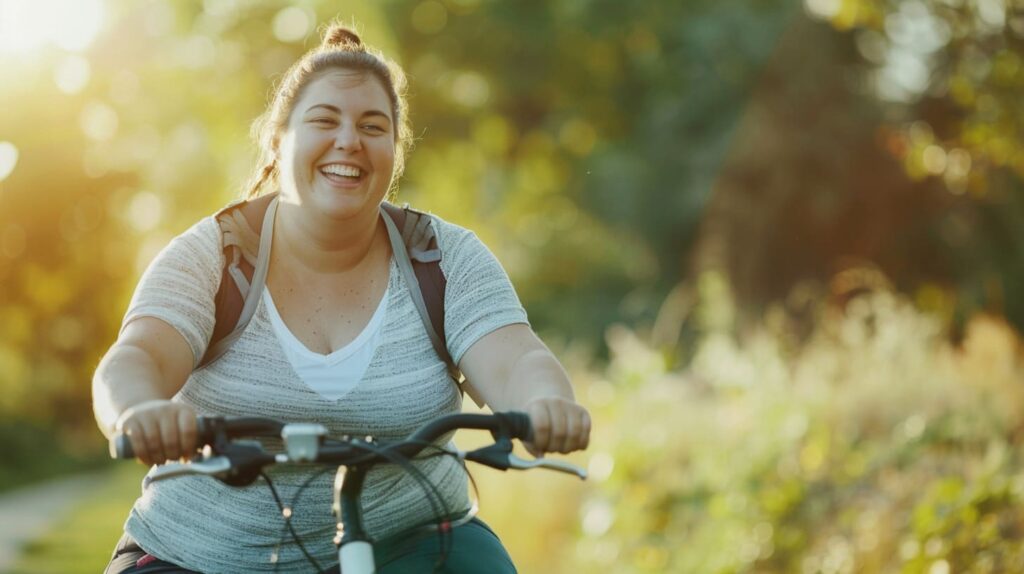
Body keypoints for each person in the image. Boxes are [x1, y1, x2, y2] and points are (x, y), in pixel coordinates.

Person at [92, 23, 591, 574]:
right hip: (205, 555)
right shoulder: (214, 256)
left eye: (372, 127)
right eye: (324, 120)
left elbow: (516, 358)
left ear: (394, 154)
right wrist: (138, 412)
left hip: (411, 539)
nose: (349, 141)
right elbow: (137, 357)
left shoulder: (442, 257)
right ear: (278, 141)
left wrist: (547, 402)